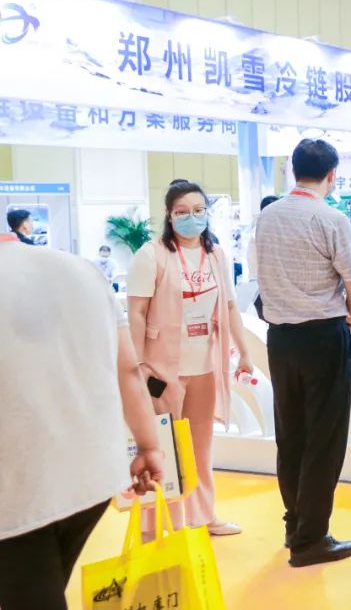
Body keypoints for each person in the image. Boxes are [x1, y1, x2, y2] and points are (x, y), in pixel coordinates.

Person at [0, 233, 165, 609]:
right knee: (39, 585)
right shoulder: (81, 270)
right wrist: (149, 446)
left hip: (18, 485)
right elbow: (128, 370)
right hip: (92, 474)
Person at [255, 139, 351, 568]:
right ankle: (312, 537)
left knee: (291, 433)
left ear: (293, 170)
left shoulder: (268, 215)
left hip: (280, 340)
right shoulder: (332, 219)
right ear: (332, 175)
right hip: (323, 337)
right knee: (324, 437)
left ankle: (294, 523)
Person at [127, 180, 253, 539]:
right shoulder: (152, 255)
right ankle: (158, 526)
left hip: (205, 367)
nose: (191, 217)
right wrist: (137, 364)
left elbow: (230, 306)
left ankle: (203, 515)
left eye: (198, 210)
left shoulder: (215, 254)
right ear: (170, 215)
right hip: (162, 369)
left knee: (200, 445)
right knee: (163, 447)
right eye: (182, 211)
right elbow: (136, 312)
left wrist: (244, 352)